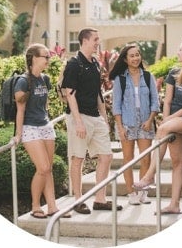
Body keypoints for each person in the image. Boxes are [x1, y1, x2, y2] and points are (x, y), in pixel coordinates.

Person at [133, 40, 182, 214]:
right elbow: (167, 101)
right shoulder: (174, 72)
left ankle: (149, 176)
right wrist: (167, 120)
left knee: (164, 130)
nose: (178, 52)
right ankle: (175, 204)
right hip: (172, 120)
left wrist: (166, 123)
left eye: (181, 50)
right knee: (177, 162)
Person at [61, 27, 122, 214]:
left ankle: (100, 199)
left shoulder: (95, 63)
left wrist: (104, 118)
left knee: (106, 156)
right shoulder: (74, 63)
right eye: (95, 39)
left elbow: (98, 93)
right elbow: (69, 94)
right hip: (78, 117)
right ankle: (77, 201)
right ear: (85, 40)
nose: (98, 42)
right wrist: (78, 121)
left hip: (96, 118)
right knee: (77, 158)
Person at [14, 43, 70, 219]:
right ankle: (35, 206)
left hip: (45, 126)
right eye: (45, 56)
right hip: (30, 128)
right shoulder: (23, 81)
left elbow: (45, 104)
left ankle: (52, 207)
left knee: (49, 169)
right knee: (43, 167)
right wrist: (18, 135)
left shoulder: (44, 79)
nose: (48, 59)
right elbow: (20, 110)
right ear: (34, 58)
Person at [109, 44, 160, 205]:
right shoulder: (120, 79)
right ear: (125, 59)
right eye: (131, 56)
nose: (135, 58)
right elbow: (116, 105)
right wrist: (120, 127)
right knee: (128, 159)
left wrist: (150, 120)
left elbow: (155, 101)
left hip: (145, 122)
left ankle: (142, 192)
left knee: (146, 159)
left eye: (137, 55)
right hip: (127, 123)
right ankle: (131, 194)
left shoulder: (148, 76)